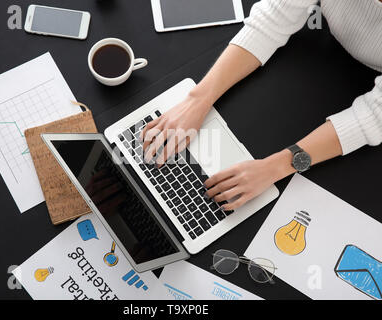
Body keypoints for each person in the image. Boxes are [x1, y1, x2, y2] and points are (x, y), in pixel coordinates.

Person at [141, 0, 382, 211]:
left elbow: (372, 118)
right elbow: (273, 18)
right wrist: (198, 98)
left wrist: (276, 167)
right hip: (314, 56)